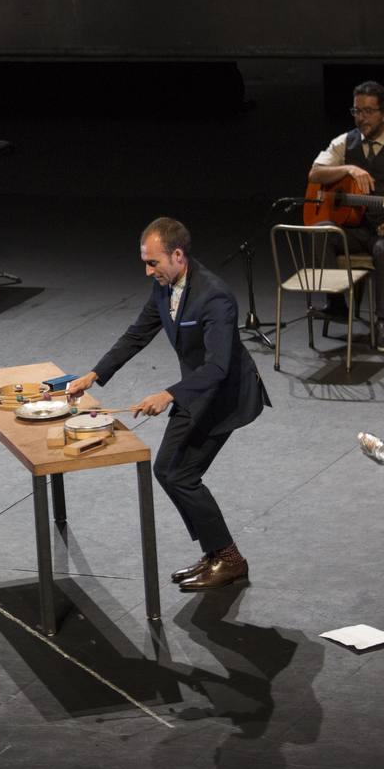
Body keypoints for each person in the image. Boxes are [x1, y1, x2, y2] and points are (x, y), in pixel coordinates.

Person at [66, 218, 270, 591]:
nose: (147, 271)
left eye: (153, 262)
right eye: (145, 262)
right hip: (196, 390)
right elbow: (137, 333)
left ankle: (229, 559)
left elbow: (220, 366)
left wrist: (168, 394)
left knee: (179, 474)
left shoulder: (215, 297)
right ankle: (217, 554)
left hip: (224, 396)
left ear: (177, 255)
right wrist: (93, 375)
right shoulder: (165, 286)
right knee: (170, 472)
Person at [308, 80, 384, 353]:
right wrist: (349, 169)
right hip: (353, 229)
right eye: (356, 111)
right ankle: (337, 304)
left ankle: (382, 323)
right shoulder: (344, 142)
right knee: (321, 230)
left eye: (368, 111)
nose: (361, 117)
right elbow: (315, 174)